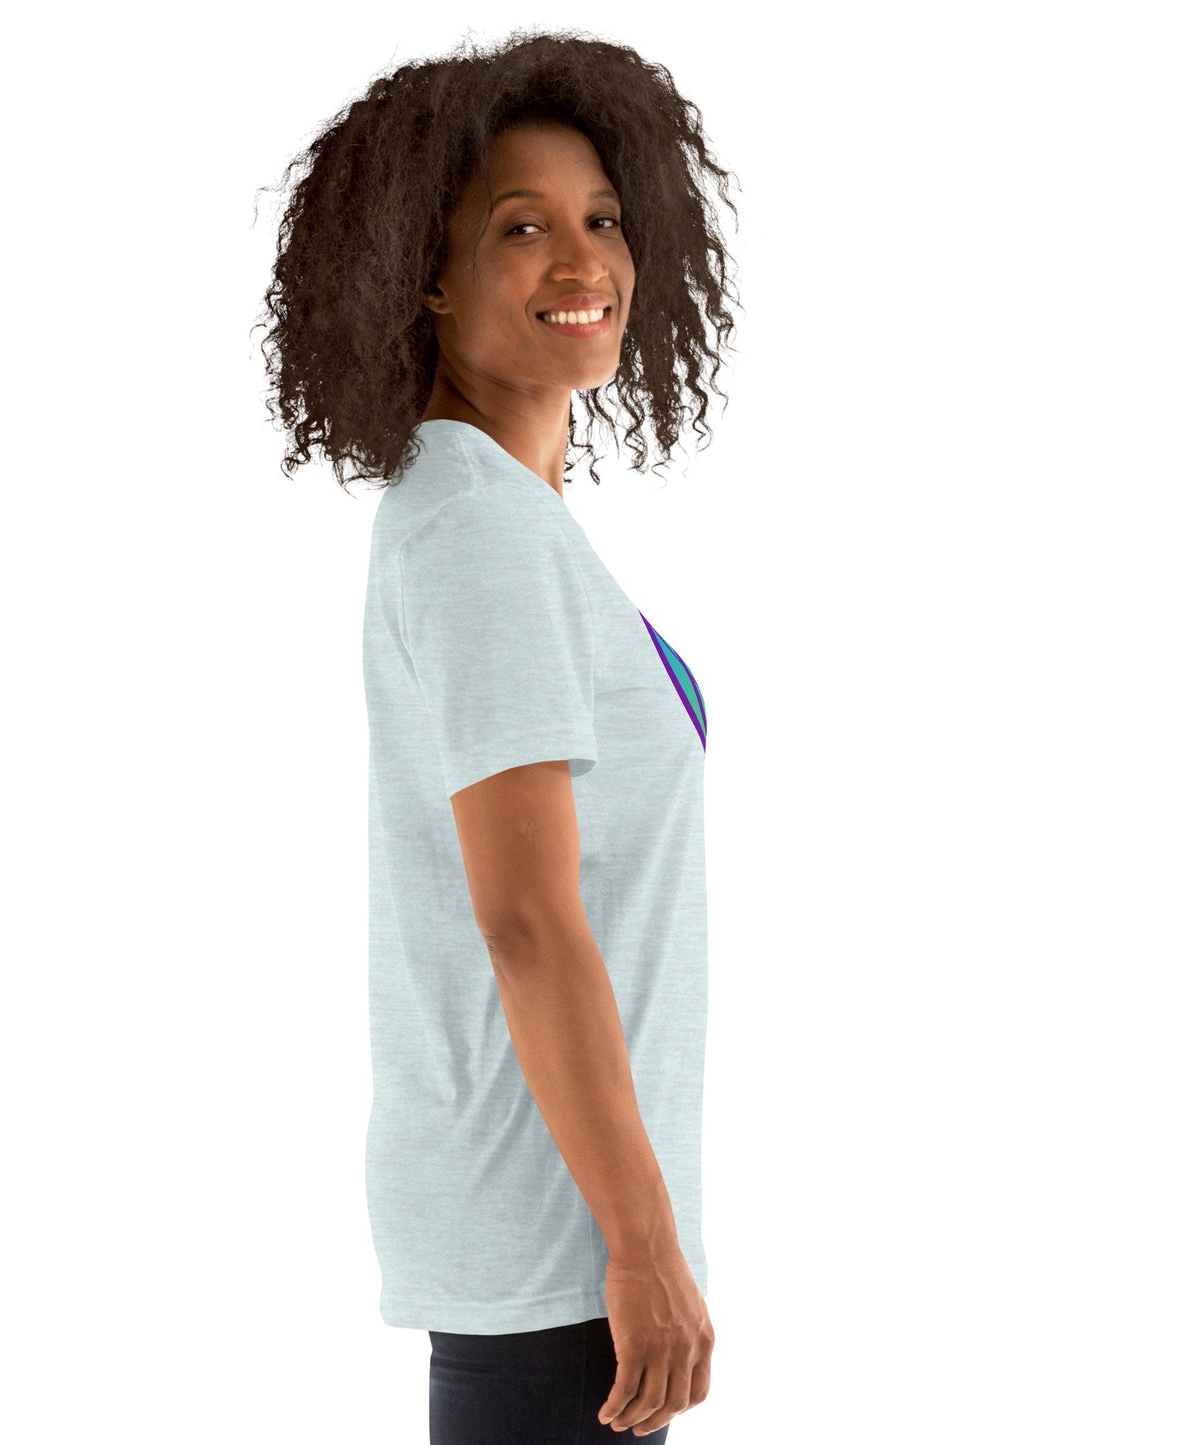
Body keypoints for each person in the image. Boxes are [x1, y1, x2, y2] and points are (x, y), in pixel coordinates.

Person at [256, 27, 740, 1443]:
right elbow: (526, 917)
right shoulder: (477, 528)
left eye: (603, 219)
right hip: (557, 1240)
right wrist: (641, 1243)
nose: (582, 261)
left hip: (544, 1226)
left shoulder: (490, 514)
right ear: (424, 270)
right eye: (521, 228)